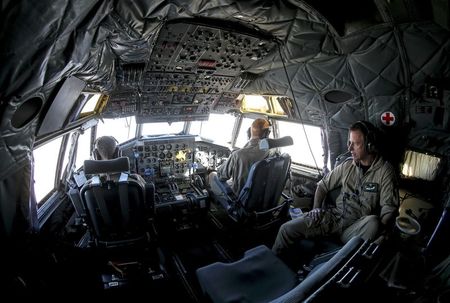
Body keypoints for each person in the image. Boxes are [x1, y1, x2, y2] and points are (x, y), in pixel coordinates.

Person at [272, 120, 399, 256]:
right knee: (286, 229)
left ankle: (342, 258)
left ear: (369, 145)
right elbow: (322, 185)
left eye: (355, 144)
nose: (350, 148)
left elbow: (388, 208)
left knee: (374, 222)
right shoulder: (347, 166)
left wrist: (382, 232)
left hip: (355, 227)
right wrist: (316, 208)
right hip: (333, 218)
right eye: (349, 143)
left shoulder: (385, 171)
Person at [208, 118, 271, 207]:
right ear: (267, 133)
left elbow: (221, 176)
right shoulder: (269, 150)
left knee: (212, 175)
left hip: (240, 197)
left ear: (249, 132)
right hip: (260, 195)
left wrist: (219, 167)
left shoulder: (238, 155)